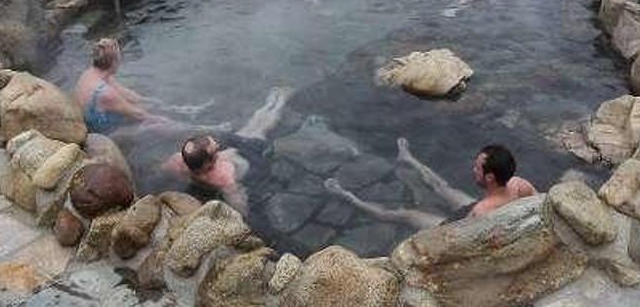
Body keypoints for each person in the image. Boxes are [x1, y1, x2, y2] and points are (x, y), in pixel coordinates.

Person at [324, 139, 536, 230]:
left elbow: (461, 242)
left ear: (489, 177)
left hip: (458, 227)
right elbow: (545, 202)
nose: (473, 170)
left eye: (477, 168)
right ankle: (408, 158)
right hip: (481, 208)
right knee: (443, 188)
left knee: (405, 214)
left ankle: (348, 196)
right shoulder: (519, 185)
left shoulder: (481, 212)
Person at [162, 87, 293, 214]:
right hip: (247, 153)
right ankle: (278, 102)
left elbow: (160, 171)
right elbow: (240, 206)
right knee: (259, 128)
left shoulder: (177, 161)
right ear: (209, 163)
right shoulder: (222, 176)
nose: (218, 148)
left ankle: (274, 101)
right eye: (216, 149)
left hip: (235, 149)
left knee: (252, 126)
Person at [75, 38, 219, 136]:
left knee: (147, 103)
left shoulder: (93, 73)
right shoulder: (105, 94)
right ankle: (204, 130)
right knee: (157, 125)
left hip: (106, 113)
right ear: (113, 62)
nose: (121, 61)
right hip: (108, 133)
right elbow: (138, 114)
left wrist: (151, 101)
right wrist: (160, 118)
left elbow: (127, 93)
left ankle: (186, 111)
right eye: (120, 57)